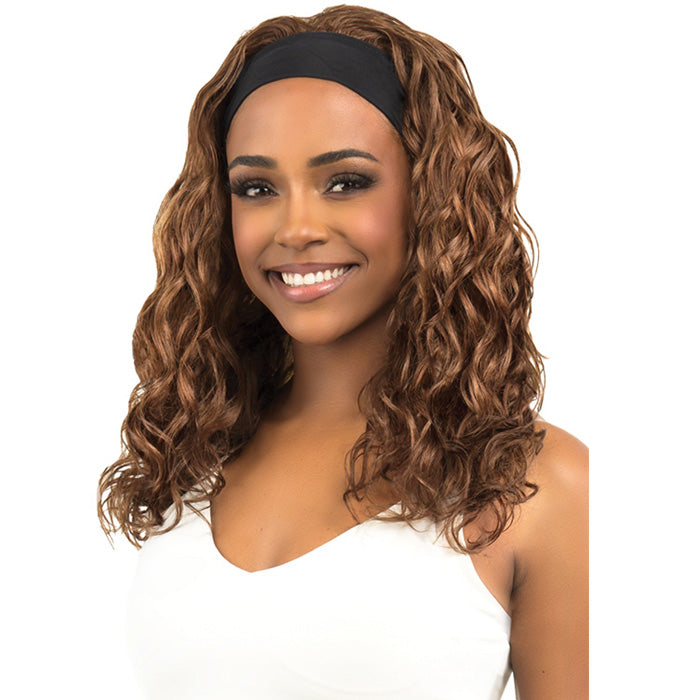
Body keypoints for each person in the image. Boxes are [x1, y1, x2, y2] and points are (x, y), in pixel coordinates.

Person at [98, 5, 588, 699]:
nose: (296, 227)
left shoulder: (540, 483)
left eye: (346, 181)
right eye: (257, 188)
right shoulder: (196, 448)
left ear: (432, 195)